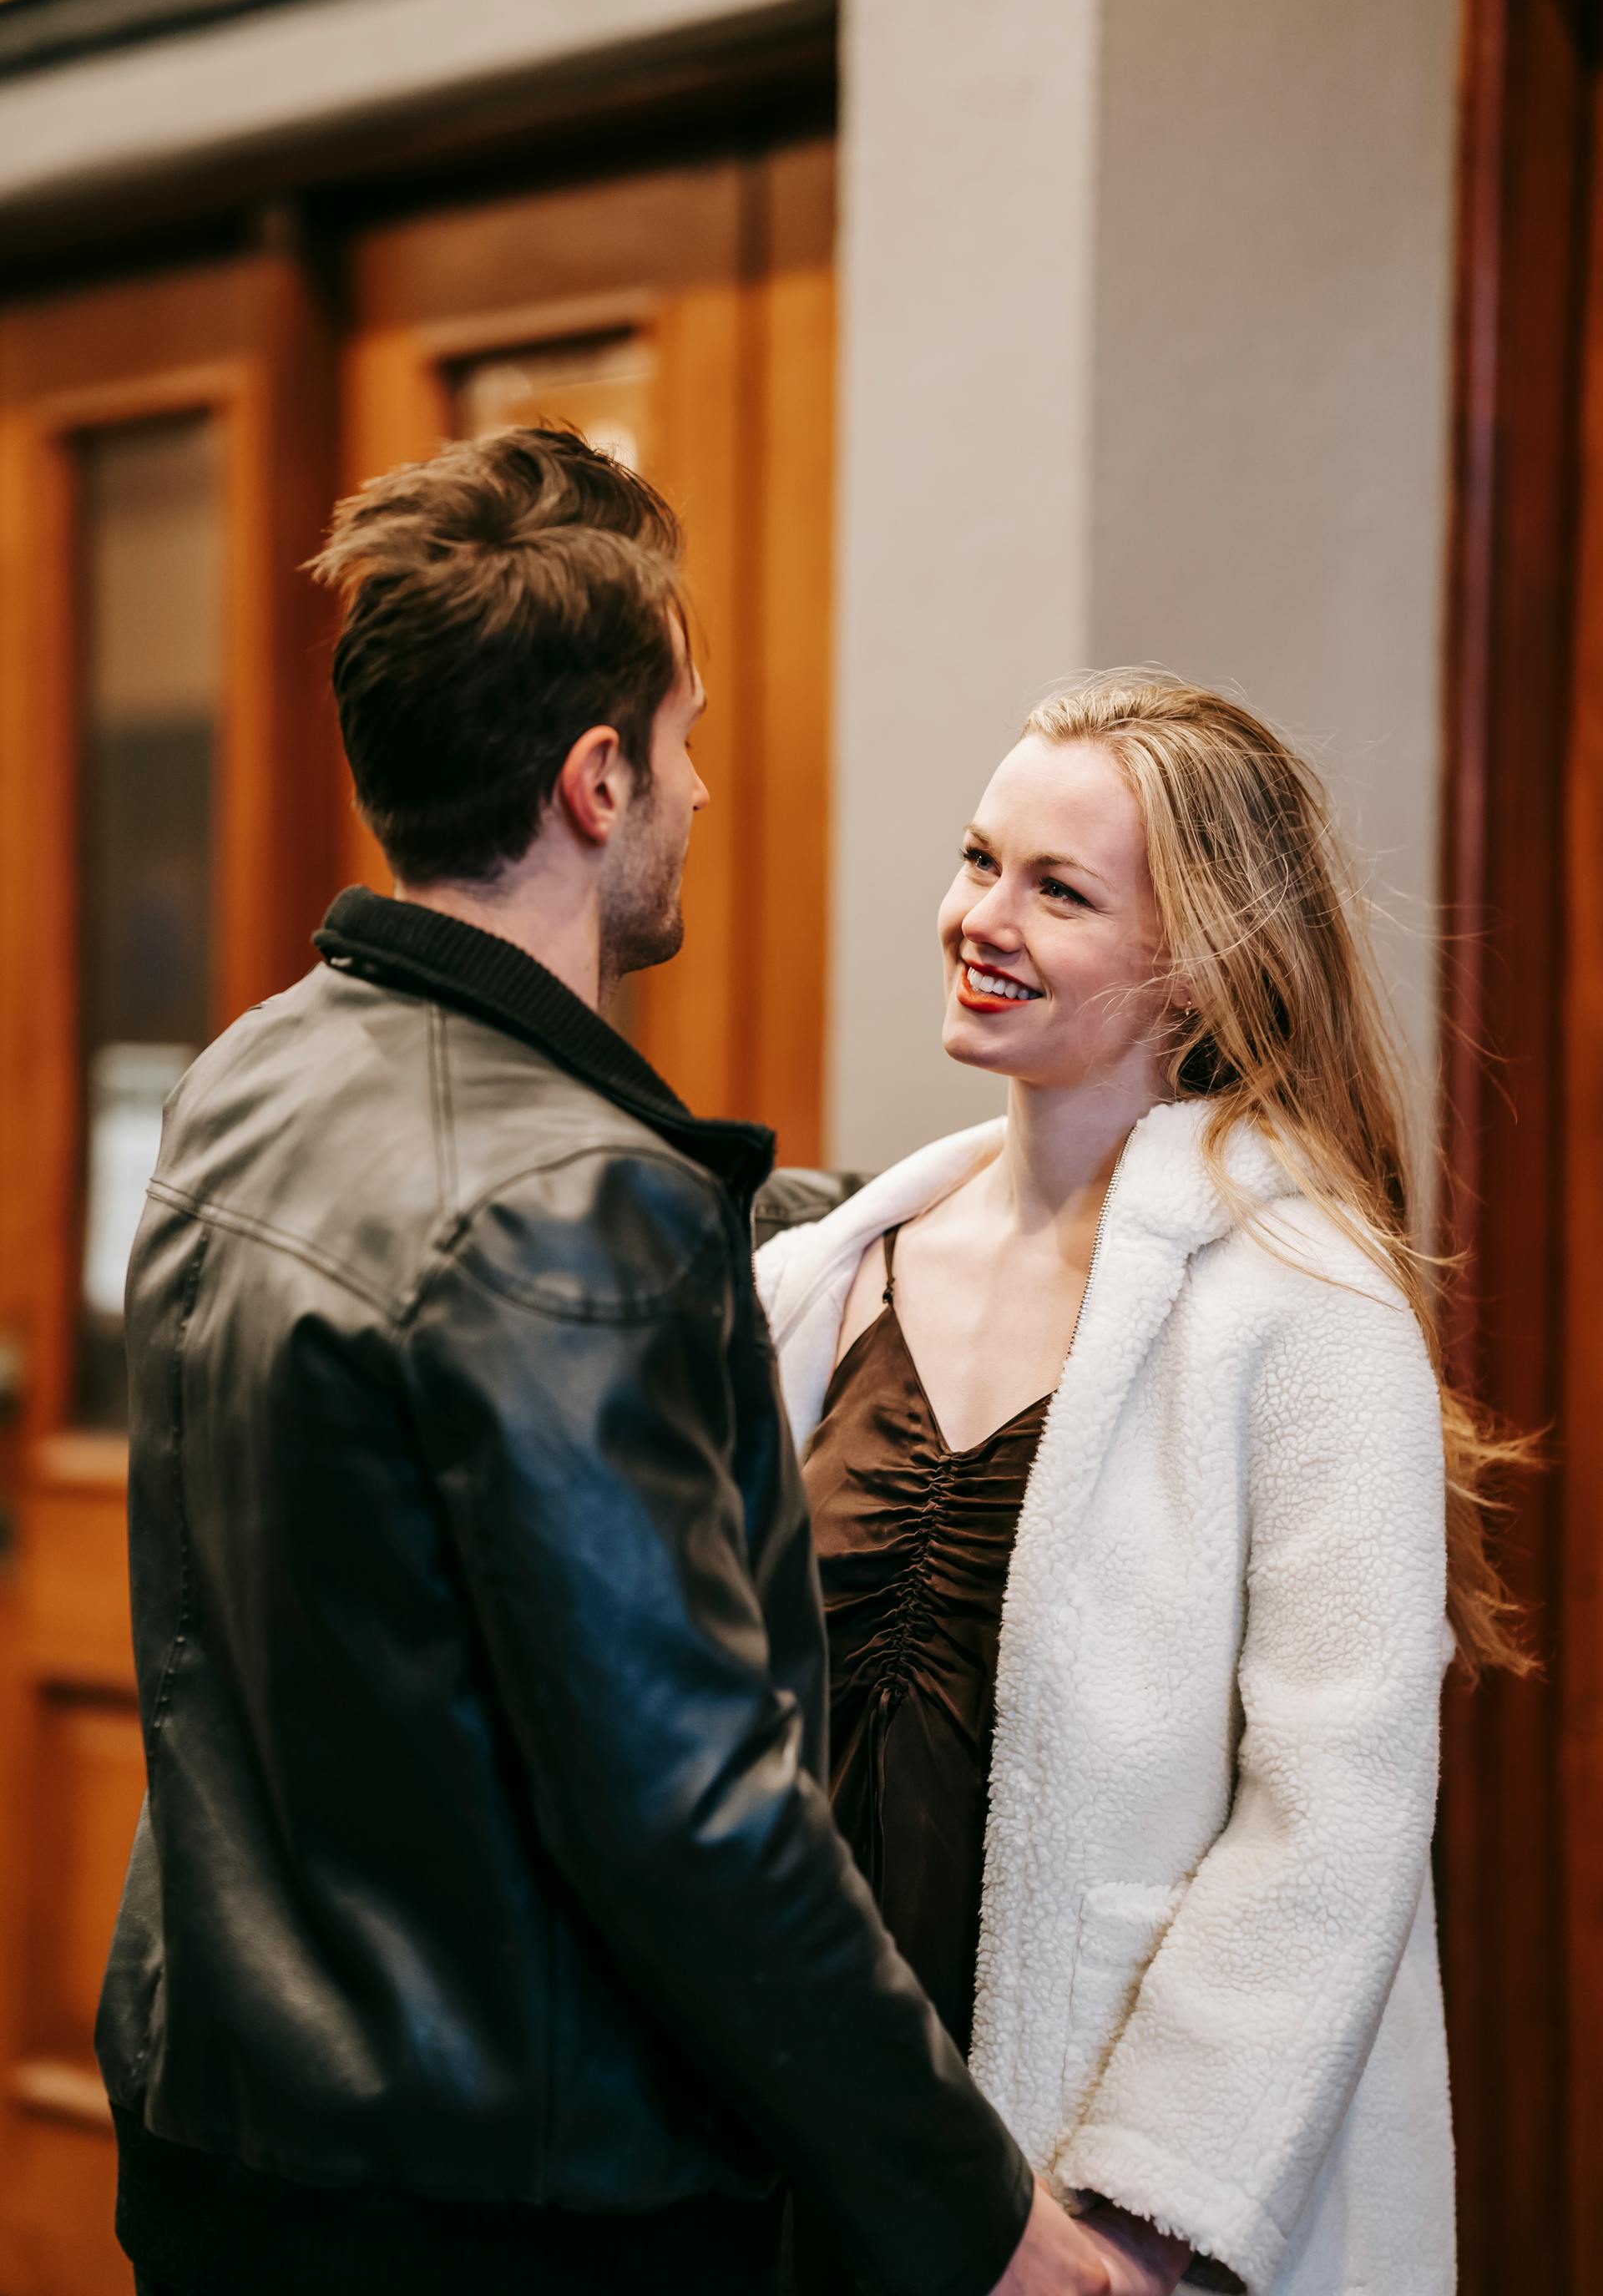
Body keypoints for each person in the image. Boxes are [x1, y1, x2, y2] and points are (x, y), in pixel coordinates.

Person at [94, 430, 1160, 2296]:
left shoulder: (249, 1074)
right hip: (495, 2206)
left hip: (228, 2143)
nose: (703, 785)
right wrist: (986, 2222)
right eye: (681, 738)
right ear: (597, 782)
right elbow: (693, 1817)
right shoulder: (574, 1210)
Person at [757, 671, 1529, 2296]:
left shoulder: (1304, 1311)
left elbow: (1336, 1818)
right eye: (980, 860)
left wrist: (1133, 2222)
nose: (982, 916)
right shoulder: (819, 1284)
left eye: (1059, 890)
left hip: (1097, 2221)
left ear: (1199, 971)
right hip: (807, 2157)